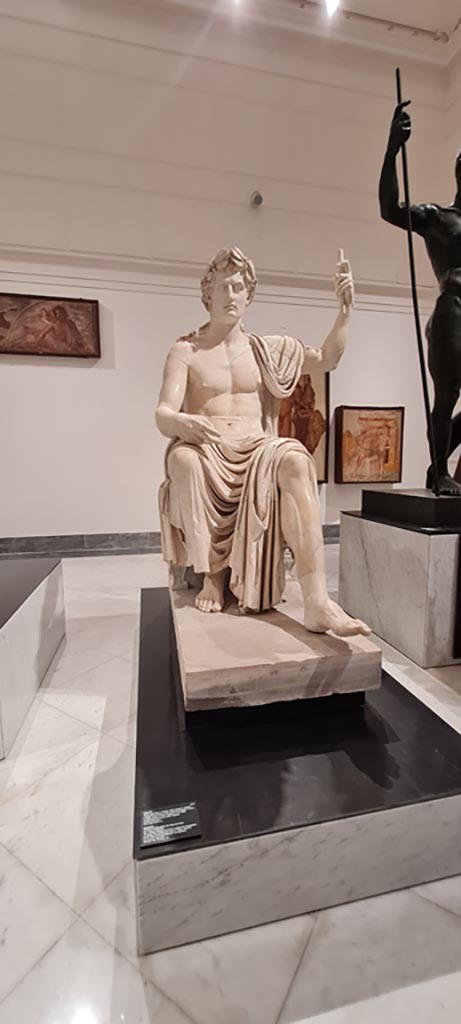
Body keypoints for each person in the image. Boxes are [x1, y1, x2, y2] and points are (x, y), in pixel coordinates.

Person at [156, 247, 370, 637]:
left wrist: (345, 311)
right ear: (208, 294)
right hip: (205, 447)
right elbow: (164, 414)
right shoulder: (185, 351)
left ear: (249, 295)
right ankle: (213, 576)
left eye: (239, 287)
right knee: (183, 461)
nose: (231, 294)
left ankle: (317, 600)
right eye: (223, 286)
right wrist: (182, 422)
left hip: (257, 449)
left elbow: (325, 359)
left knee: (296, 458)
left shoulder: (268, 350)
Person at [380, 100, 461, 495]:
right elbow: (389, 208)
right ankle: (441, 472)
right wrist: (393, 147)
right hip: (454, 311)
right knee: (447, 395)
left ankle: (437, 467)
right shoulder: (439, 218)